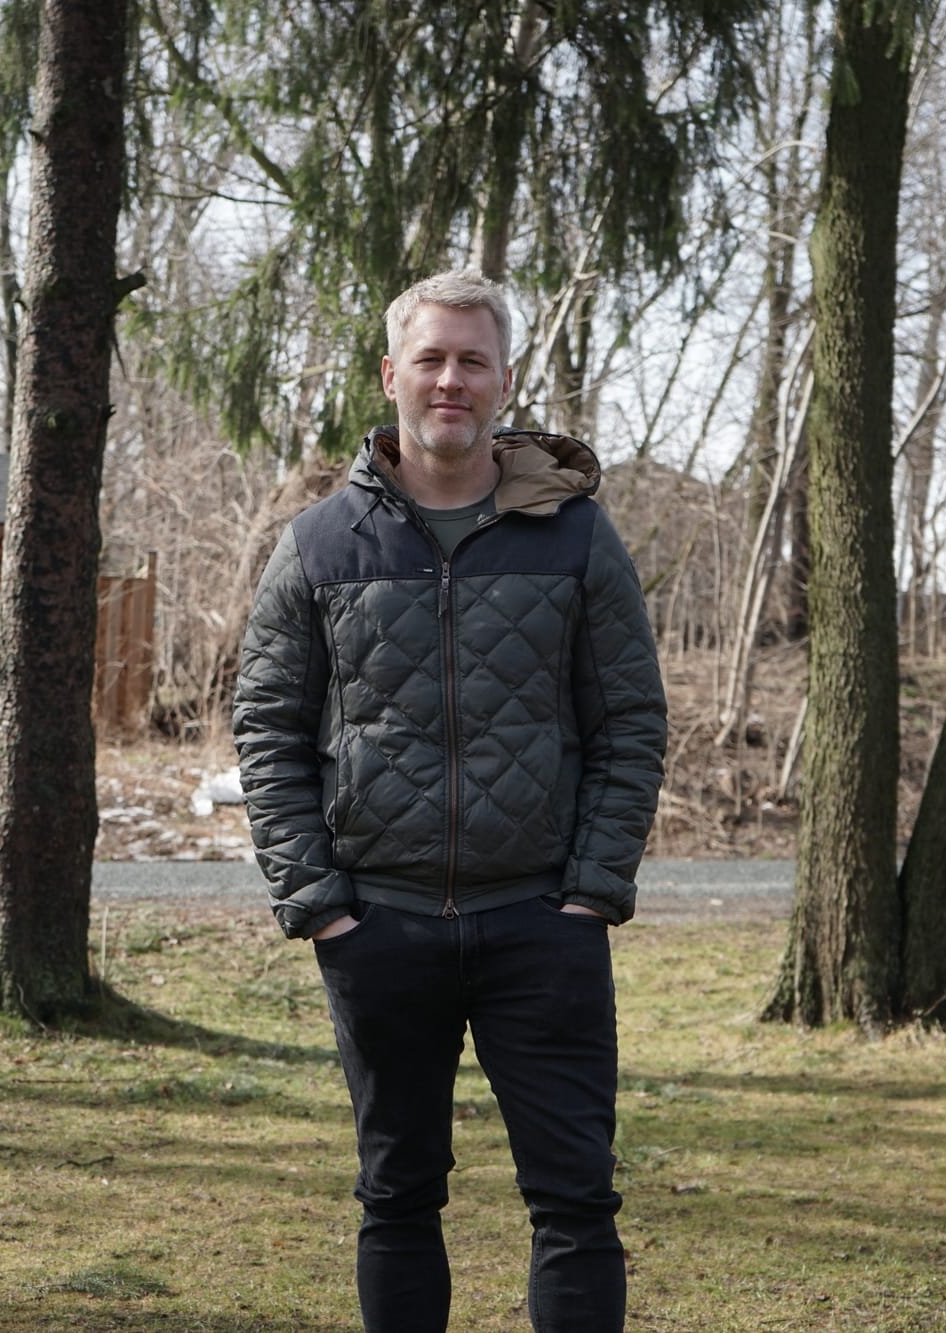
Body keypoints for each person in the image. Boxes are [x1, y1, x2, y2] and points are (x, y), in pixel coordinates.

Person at [233, 269, 668, 1332]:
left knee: (576, 1203)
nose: (450, 381)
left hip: (541, 925)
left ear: (503, 381)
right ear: (391, 374)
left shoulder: (574, 537)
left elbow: (630, 723)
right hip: (378, 926)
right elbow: (267, 731)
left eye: (473, 361)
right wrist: (320, 905)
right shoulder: (320, 545)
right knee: (396, 1199)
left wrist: (589, 892)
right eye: (430, 358)